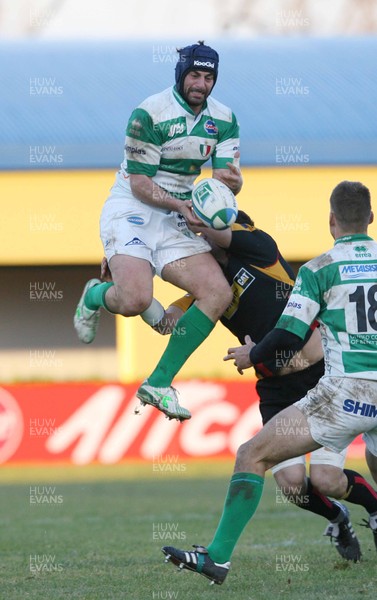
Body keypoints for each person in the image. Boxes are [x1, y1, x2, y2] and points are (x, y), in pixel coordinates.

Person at [161, 181, 377, 585]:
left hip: (334, 386)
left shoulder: (283, 255)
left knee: (278, 464)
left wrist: (253, 354)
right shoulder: (208, 285)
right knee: (296, 485)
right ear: (369, 217)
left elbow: (299, 339)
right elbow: (166, 323)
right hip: (293, 391)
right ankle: (346, 517)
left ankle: (218, 559)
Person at [73, 41, 242, 422]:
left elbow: (222, 184)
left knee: (217, 292)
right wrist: (182, 204)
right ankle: (95, 294)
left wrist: (232, 187)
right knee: (133, 299)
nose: (201, 83)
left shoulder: (225, 119)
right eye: (195, 75)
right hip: (134, 207)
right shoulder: (148, 114)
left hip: (179, 213)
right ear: (181, 74)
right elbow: (139, 184)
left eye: (209, 76)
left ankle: (159, 382)